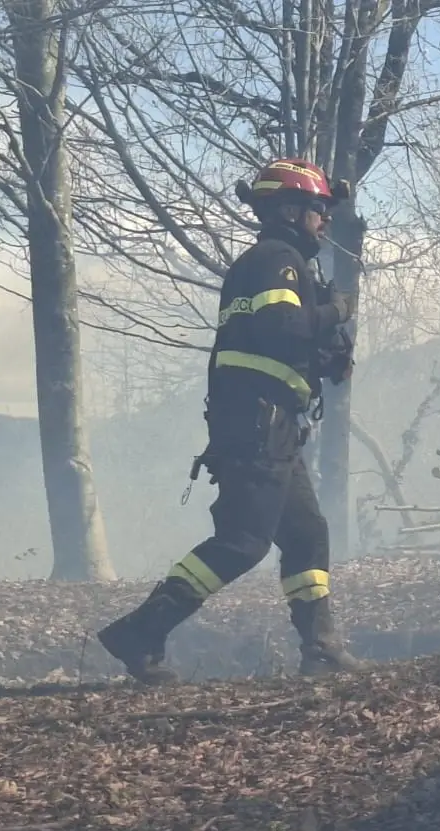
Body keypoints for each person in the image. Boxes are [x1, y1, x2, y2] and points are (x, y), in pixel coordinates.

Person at [97, 158, 363, 684]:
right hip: (259, 424)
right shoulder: (277, 259)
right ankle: (141, 630)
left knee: (307, 535)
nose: (324, 221)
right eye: (318, 209)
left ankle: (322, 649)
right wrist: (335, 312)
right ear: (290, 209)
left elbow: (280, 338)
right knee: (244, 541)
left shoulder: (276, 263)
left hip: (271, 423)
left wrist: (330, 349)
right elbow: (283, 327)